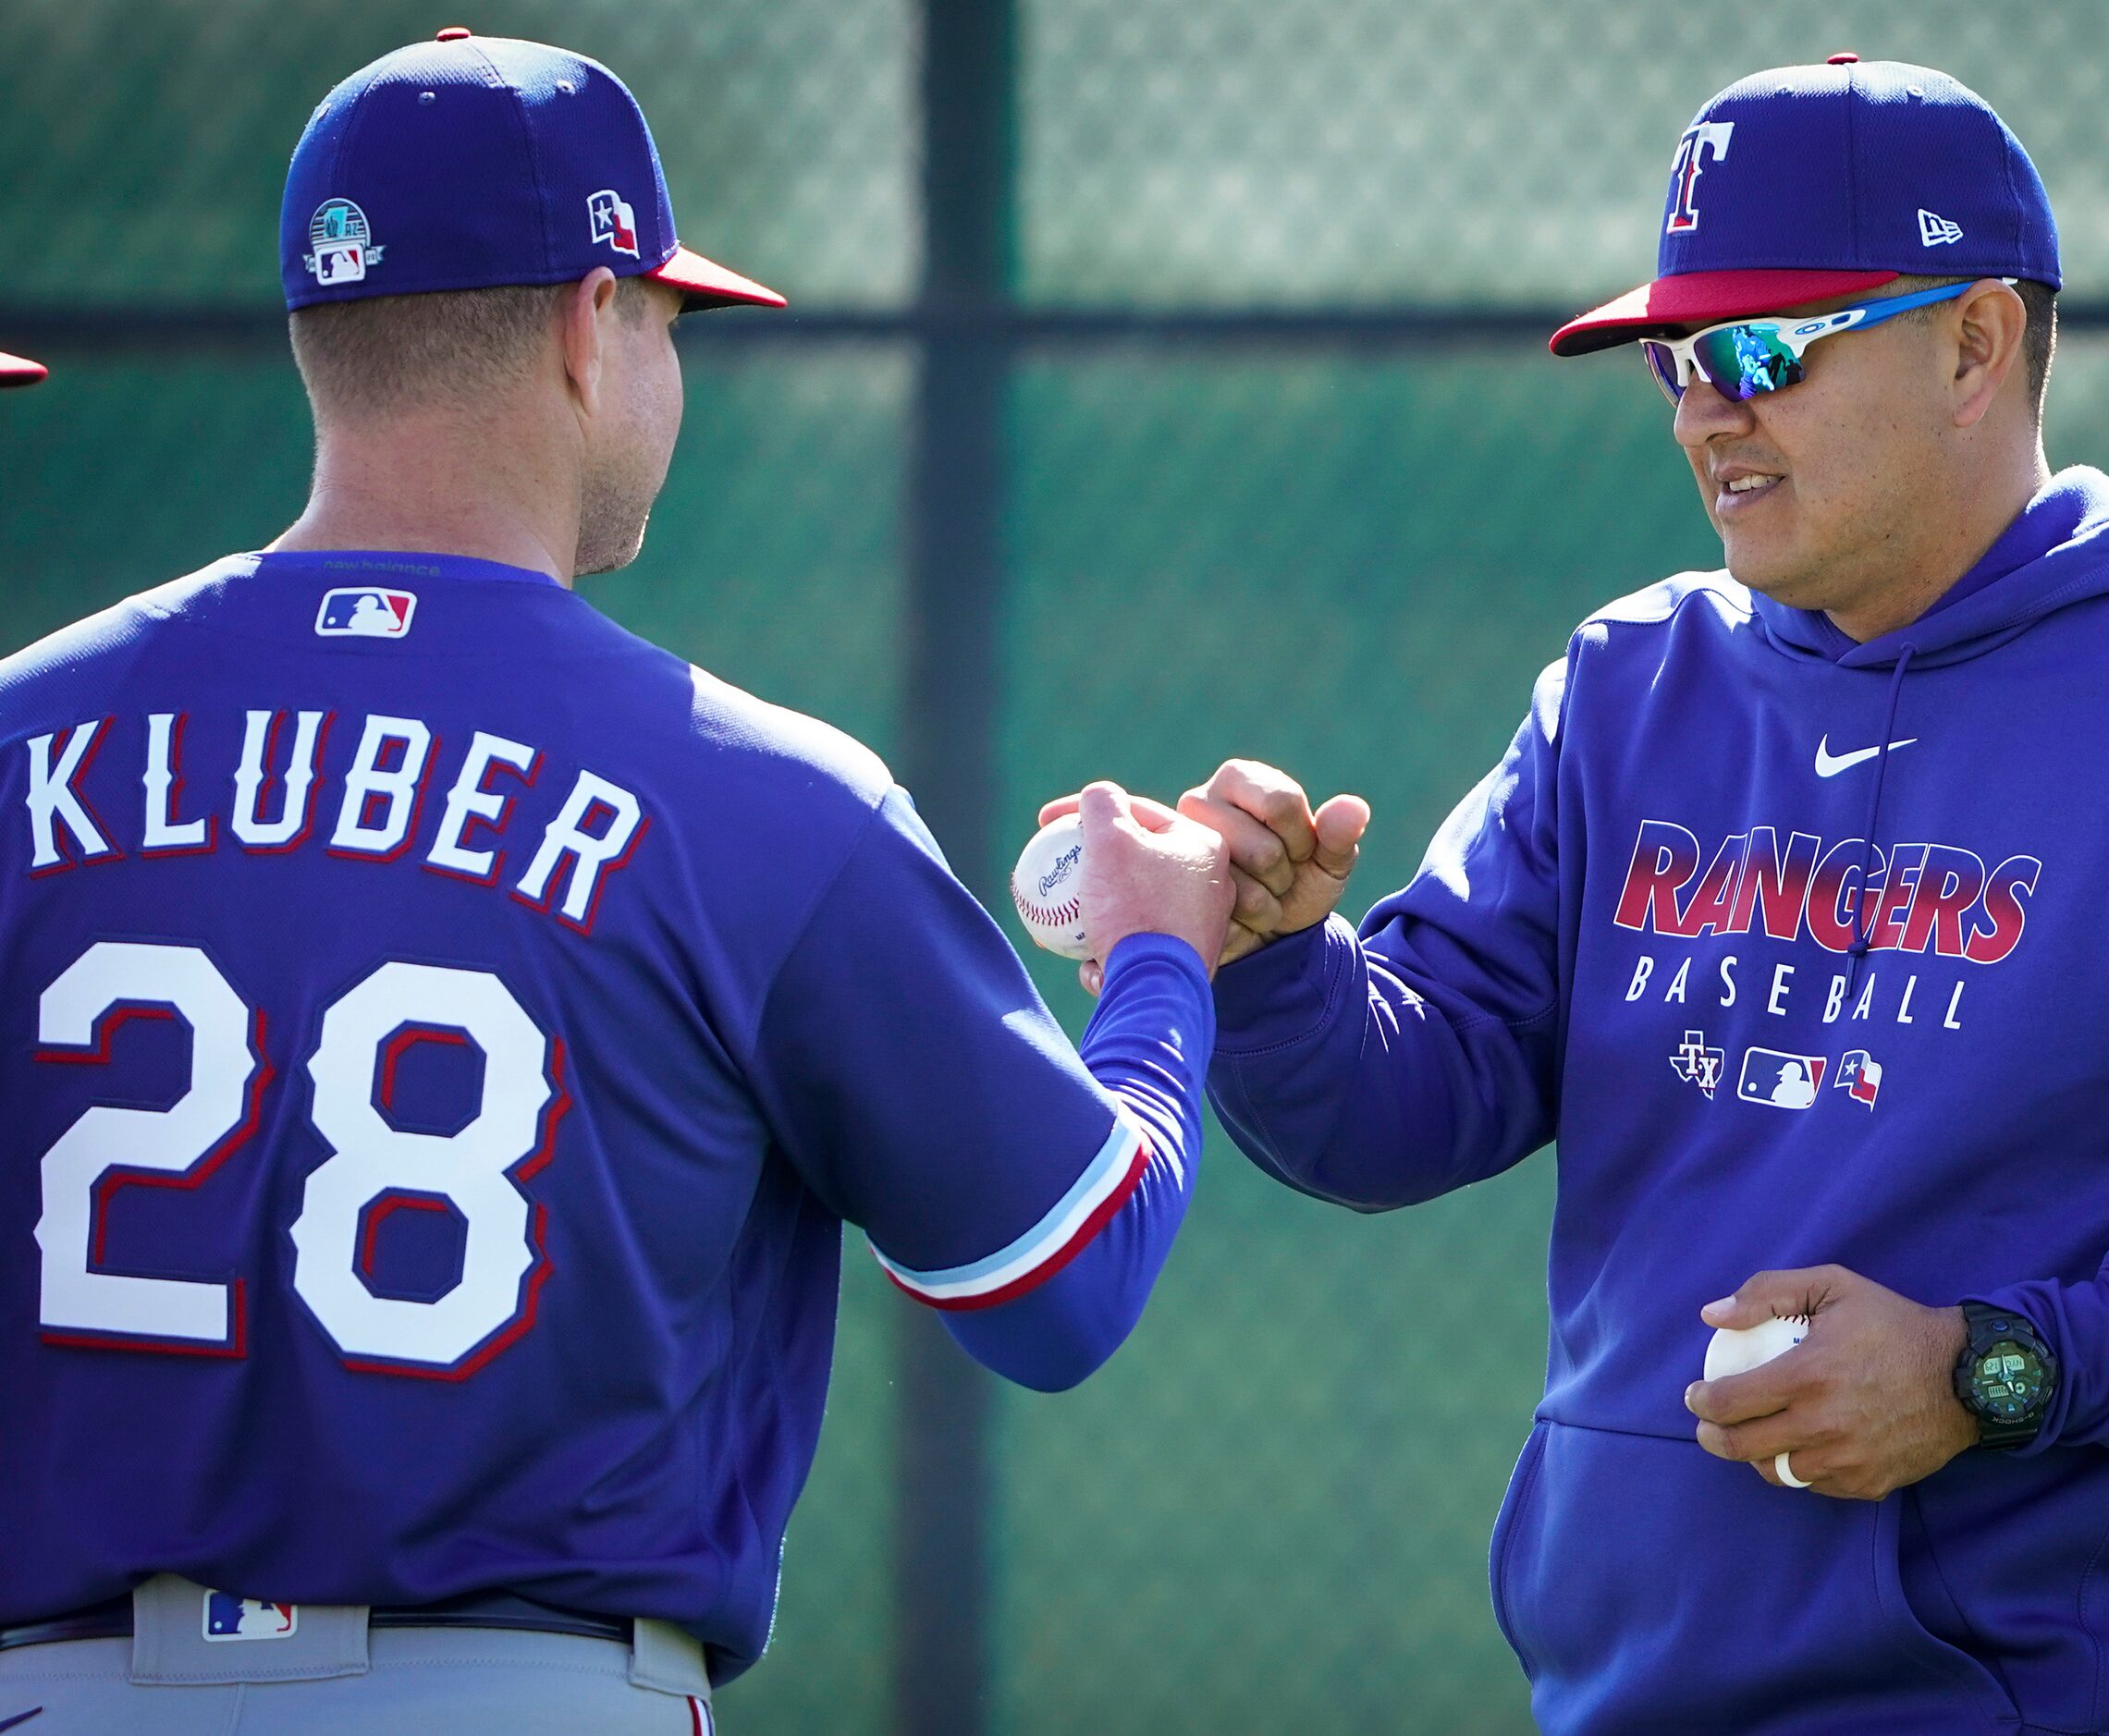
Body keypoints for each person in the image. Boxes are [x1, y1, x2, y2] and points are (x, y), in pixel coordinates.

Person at [1156, 57, 2109, 1736]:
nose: (1702, 413)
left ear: (1973, 344)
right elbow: (1395, 1111)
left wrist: (1996, 1368)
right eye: (1675, 361)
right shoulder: (1628, 688)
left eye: (1760, 351)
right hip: (1622, 1697)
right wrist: (1278, 964)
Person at [0, 31, 1229, 1731]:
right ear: (591, 327)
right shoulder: (764, 799)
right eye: (668, 320)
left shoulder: (20, 739)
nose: (669, 366)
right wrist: (1163, 968)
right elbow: (1063, 1279)